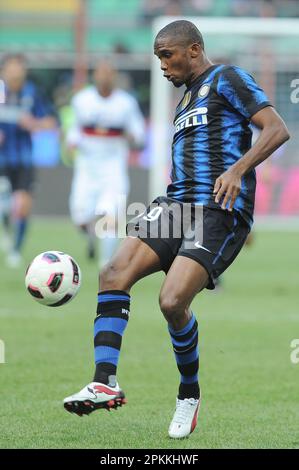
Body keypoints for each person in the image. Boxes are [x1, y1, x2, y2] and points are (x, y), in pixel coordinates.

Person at [63, 20, 289, 439]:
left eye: (168, 56)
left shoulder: (228, 78)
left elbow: (277, 128)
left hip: (218, 209)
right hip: (175, 205)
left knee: (171, 302)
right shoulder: (185, 102)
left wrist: (239, 169)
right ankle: (104, 382)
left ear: (194, 49)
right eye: (158, 59)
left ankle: (189, 394)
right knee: (112, 273)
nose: (163, 66)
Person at [67, 61, 145, 266]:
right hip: (87, 166)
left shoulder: (126, 103)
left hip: (113, 167)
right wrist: (71, 142)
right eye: (101, 73)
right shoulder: (82, 100)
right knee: (80, 218)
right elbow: (74, 128)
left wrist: (132, 137)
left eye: (109, 73)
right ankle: (90, 237)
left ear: (114, 76)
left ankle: (106, 263)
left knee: (111, 215)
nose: (104, 77)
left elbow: (139, 134)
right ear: (95, 76)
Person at [0, 54, 57, 267]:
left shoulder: (32, 93)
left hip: (24, 159)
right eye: (11, 68)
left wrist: (34, 123)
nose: (16, 72)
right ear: (3, 71)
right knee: (5, 204)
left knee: (22, 206)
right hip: (1, 159)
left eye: (20, 68)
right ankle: (6, 226)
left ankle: (15, 250)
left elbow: (51, 121)